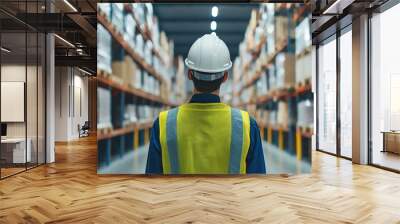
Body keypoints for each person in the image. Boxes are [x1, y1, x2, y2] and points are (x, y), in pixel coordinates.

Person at [146, 34, 266, 174]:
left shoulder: (163, 124)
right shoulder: (247, 125)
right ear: (225, 77)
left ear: (189, 74)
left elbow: (151, 181)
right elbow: (258, 184)